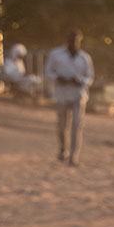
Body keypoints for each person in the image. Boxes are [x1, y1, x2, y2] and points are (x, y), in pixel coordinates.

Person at [43, 30, 94, 165]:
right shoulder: (56, 54)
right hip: (61, 94)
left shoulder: (84, 58)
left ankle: (74, 156)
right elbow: (48, 71)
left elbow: (90, 77)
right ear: (67, 40)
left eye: (76, 40)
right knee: (62, 125)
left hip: (78, 94)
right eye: (71, 40)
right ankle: (63, 149)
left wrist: (80, 80)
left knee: (77, 125)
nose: (74, 43)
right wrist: (58, 78)